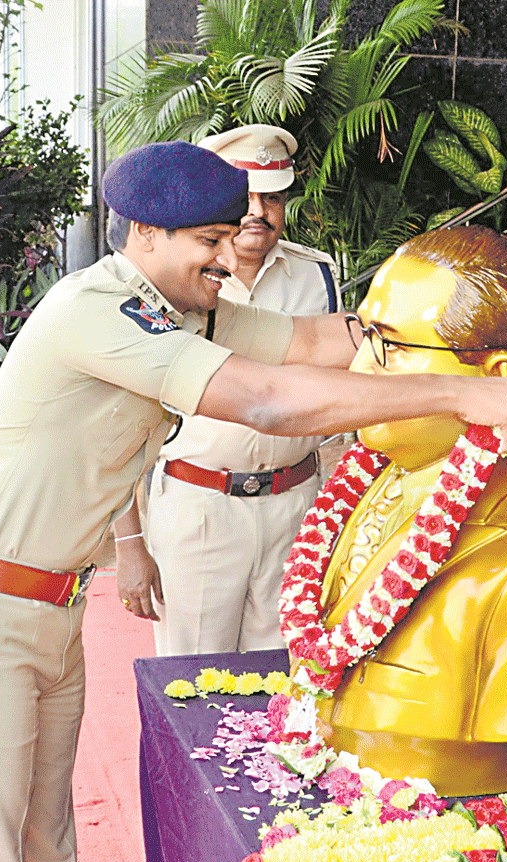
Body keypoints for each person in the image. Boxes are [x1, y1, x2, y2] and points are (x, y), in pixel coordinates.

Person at [0, 140, 507, 862]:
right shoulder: (97, 311)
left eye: (230, 238)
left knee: (48, 840)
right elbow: (267, 400)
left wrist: (468, 342)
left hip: (53, 611)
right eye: (210, 242)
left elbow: (309, 341)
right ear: (145, 232)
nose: (228, 258)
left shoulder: (181, 308)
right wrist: (459, 393)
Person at [291, 225, 507, 797]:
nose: (359, 374)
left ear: (496, 379)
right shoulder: (386, 471)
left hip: (445, 782)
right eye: (365, 337)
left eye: (391, 347)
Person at [126, 124, 337, 654]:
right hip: (202, 508)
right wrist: (129, 541)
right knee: (194, 681)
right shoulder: (169, 282)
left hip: (296, 506)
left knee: (284, 683)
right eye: (247, 196)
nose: (258, 213)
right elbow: (120, 426)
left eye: (274, 197)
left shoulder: (319, 276)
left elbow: (342, 383)